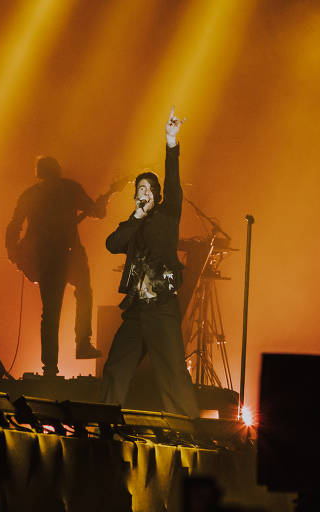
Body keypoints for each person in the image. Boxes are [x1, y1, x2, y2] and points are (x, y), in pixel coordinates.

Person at [101, 107, 199, 417]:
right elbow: (112, 244)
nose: (143, 193)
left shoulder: (168, 216)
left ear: (156, 195)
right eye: (138, 189)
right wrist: (136, 216)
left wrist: (171, 141)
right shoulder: (132, 224)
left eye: (148, 189)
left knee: (172, 374)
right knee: (116, 367)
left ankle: (188, 428)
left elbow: (173, 182)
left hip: (162, 307)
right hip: (136, 311)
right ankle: (104, 422)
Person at [6, 156, 105, 376]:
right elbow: (97, 211)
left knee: (54, 310)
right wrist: (15, 253)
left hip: (56, 257)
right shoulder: (67, 189)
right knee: (71, 300)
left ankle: (55, 363)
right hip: (62, 256)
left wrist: (13, 252)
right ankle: (80, 344)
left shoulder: (34, 194)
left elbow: (13, 225)